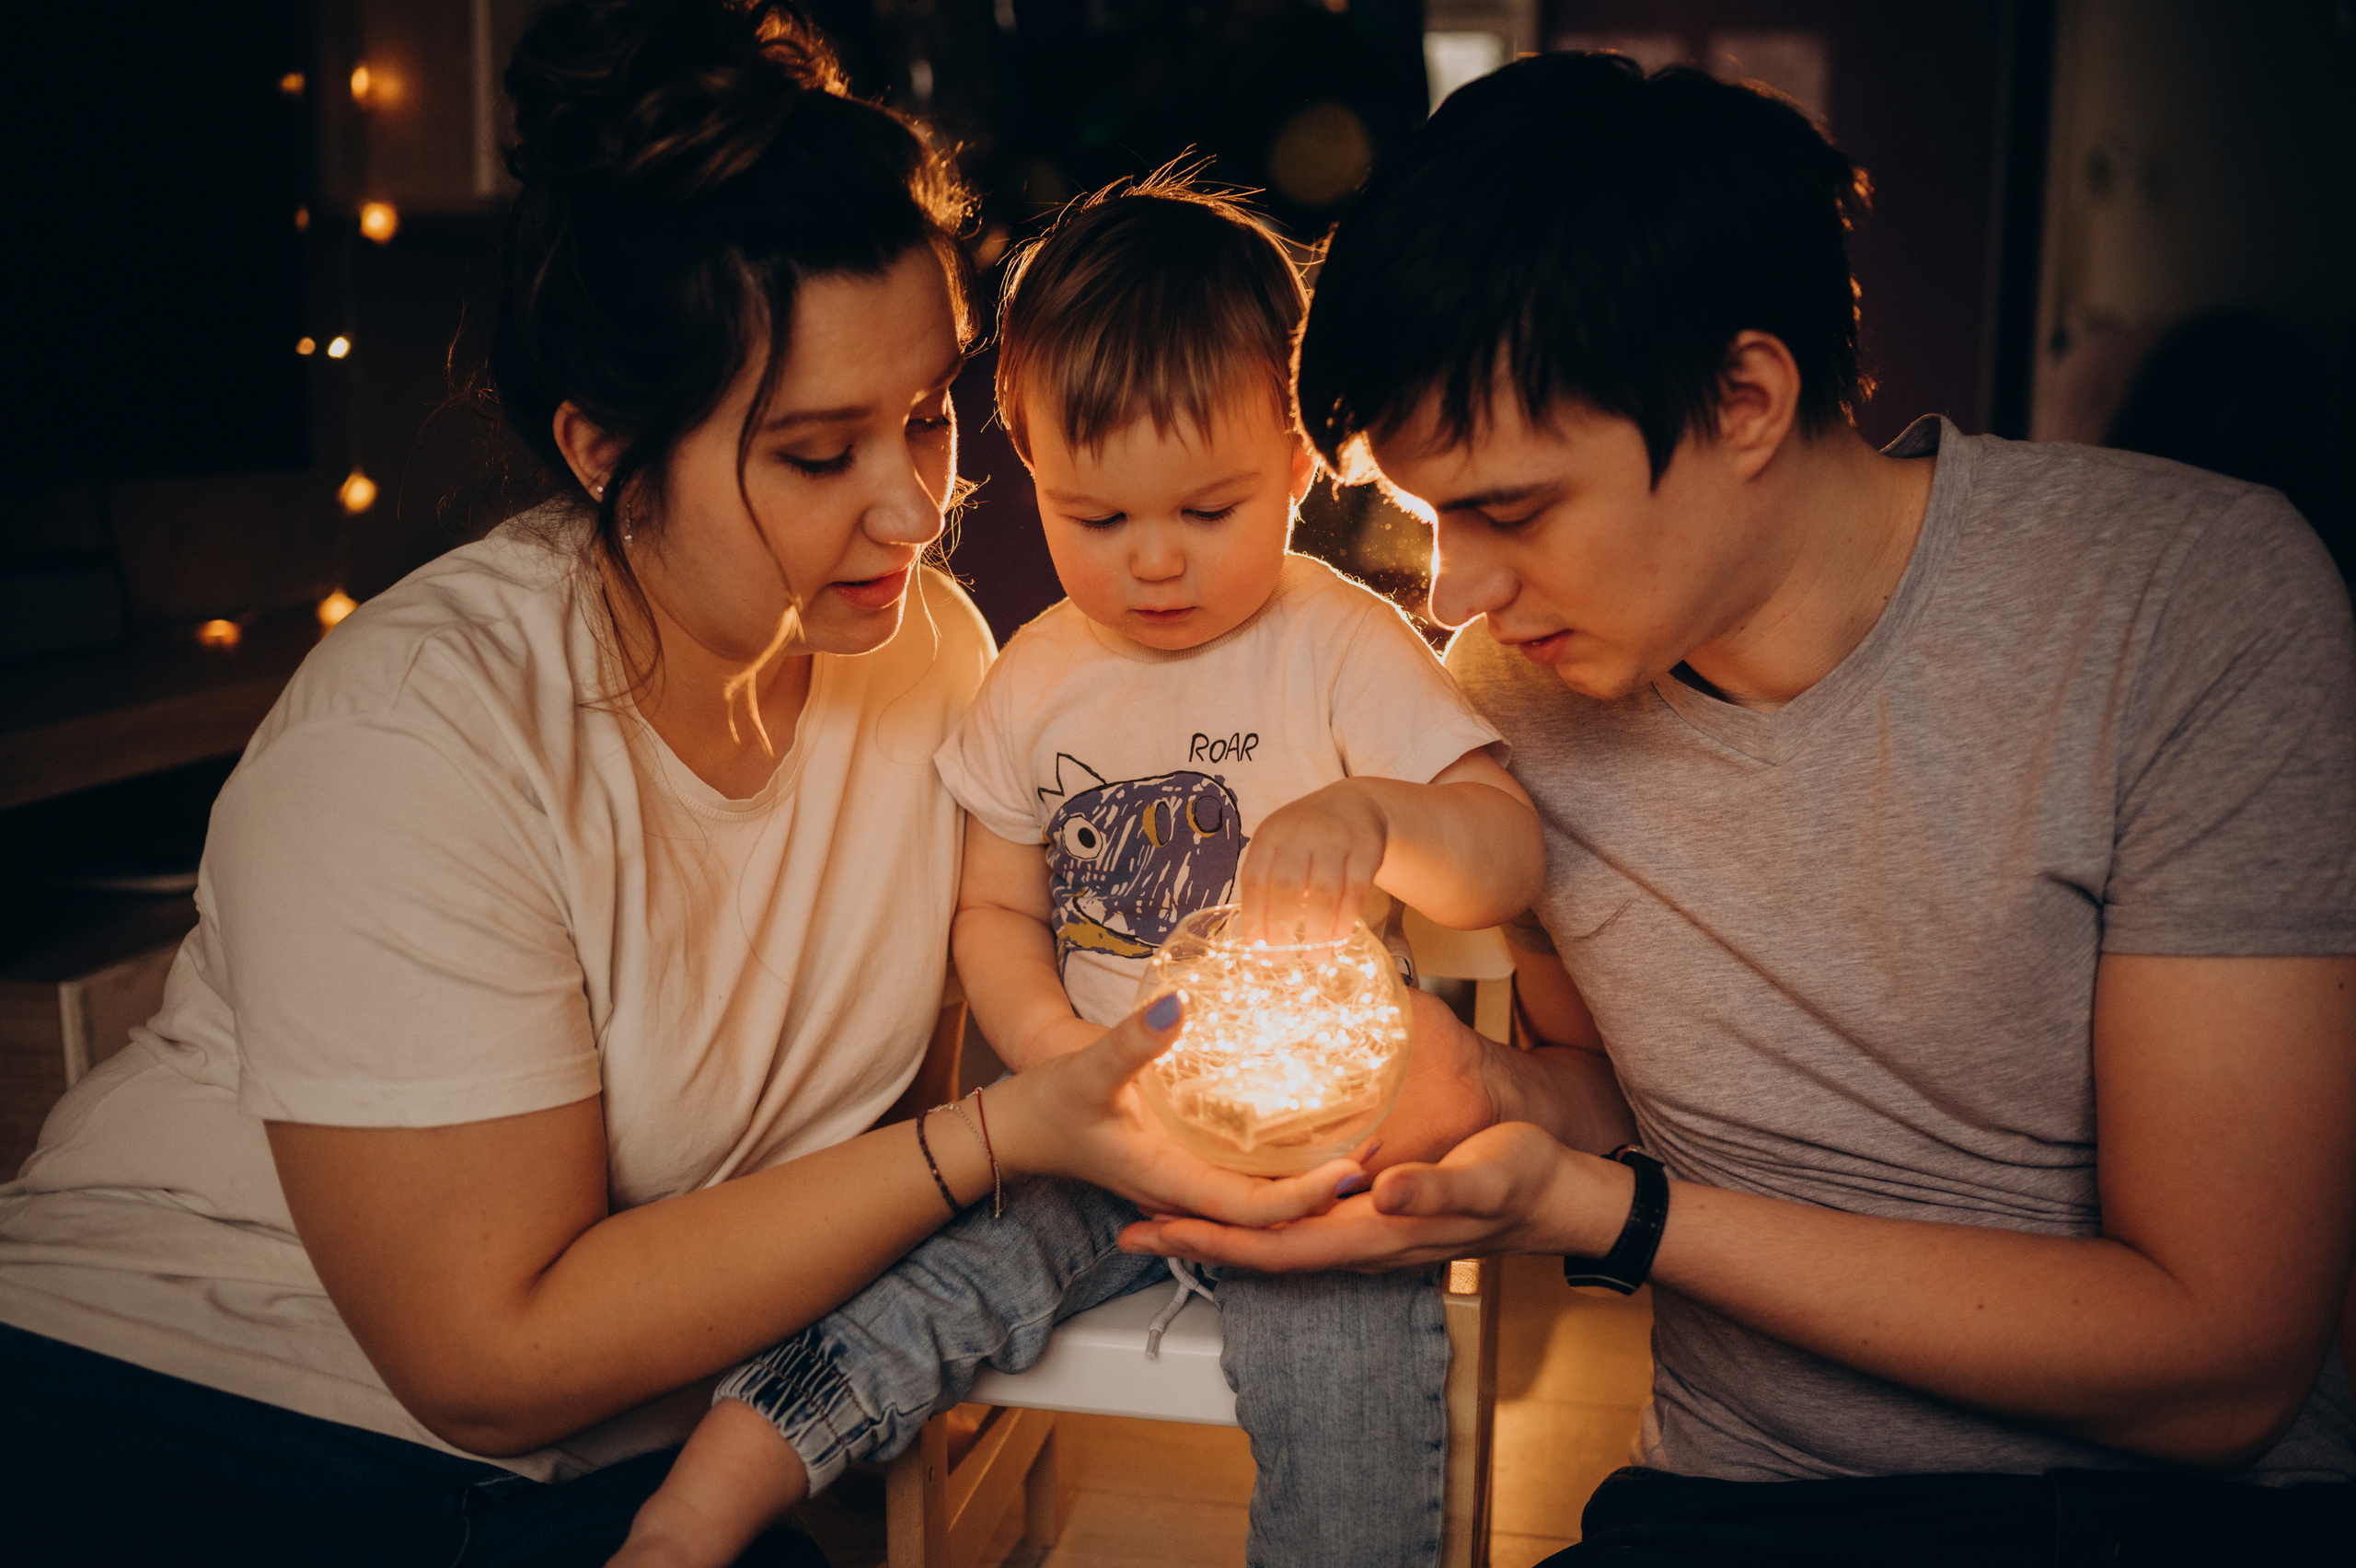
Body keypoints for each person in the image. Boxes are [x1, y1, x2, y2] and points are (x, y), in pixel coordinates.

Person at [0, 6, 1357, 1562]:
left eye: (926, 415)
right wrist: (998, 1144)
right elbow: (488, 1368)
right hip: (183, 1393)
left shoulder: (931, 655)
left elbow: (880, 1148)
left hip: (633, 1448)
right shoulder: (415, 739)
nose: (915, 506)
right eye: (813, 453)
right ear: (601, 447)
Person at [1124, 52, 2356, 1564]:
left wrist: (1608, 1215)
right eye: (1431, 520)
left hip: (2164, 1517)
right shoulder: (1512, 698)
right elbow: (1604, 1094)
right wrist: (1466, 1098)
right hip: (1730, 1503)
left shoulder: (2191, 609)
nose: (1458, 593)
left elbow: (2222, 1364)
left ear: (1747, 397)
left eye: (1508, 510)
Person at [613, 173, 1546, 1568]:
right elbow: (993, 906)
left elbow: (1509, 860)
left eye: (1210, 512)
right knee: (920, 1292)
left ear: (1298, 466)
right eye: (1097, 521)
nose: (1154, 563)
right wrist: (1056, 1063)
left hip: (1320, 1160)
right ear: (1031, 467)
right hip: (1091, 1134)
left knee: (1350, 1376)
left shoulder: (1337, 644)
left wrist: (1385, 814)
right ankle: (696, 1514)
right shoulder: (1036, 678)